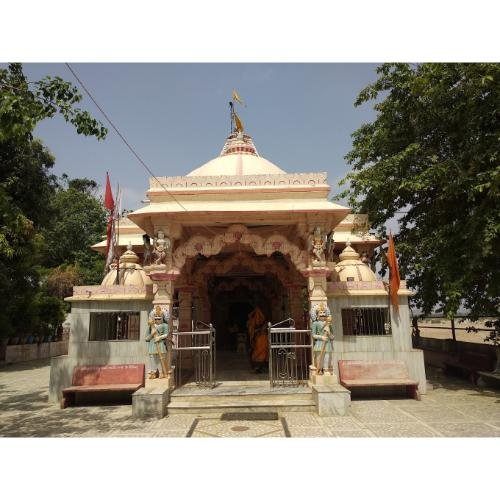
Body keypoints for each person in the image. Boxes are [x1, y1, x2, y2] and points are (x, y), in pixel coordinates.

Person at [145, 305, 170, 379]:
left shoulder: (165, 325)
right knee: (152, 358)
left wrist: (159, 337)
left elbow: (167, 334)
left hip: (160, 343)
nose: (157, 320)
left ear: (162, 317)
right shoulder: (151, 326)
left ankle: (162, 372)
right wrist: (152, 334)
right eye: (156, 318)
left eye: (159, 318)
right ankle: (153, 372)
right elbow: (146, 338)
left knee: (161, 358)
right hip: (152, 344)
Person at [311, 303, 334, 374]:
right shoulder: (315, 323)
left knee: (327, 356)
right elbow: (313, 335)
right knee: (319, 357)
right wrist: (321, 337)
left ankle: (326, 369)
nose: (322, 314)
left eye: (324, 312)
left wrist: (329, 333)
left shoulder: (328, 324)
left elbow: (332, 337)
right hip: (319, 342)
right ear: (317, 314)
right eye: (320, 312)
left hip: (327, 342)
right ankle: (319, 369)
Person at [247, 306, 268, 372]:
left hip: (262, 339)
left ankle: (260, 367)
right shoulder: (253, 322)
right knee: (256, 353)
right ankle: (257, 367)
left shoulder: (263, 322)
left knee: (262, 352)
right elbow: (251, 330)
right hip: (257, 340)